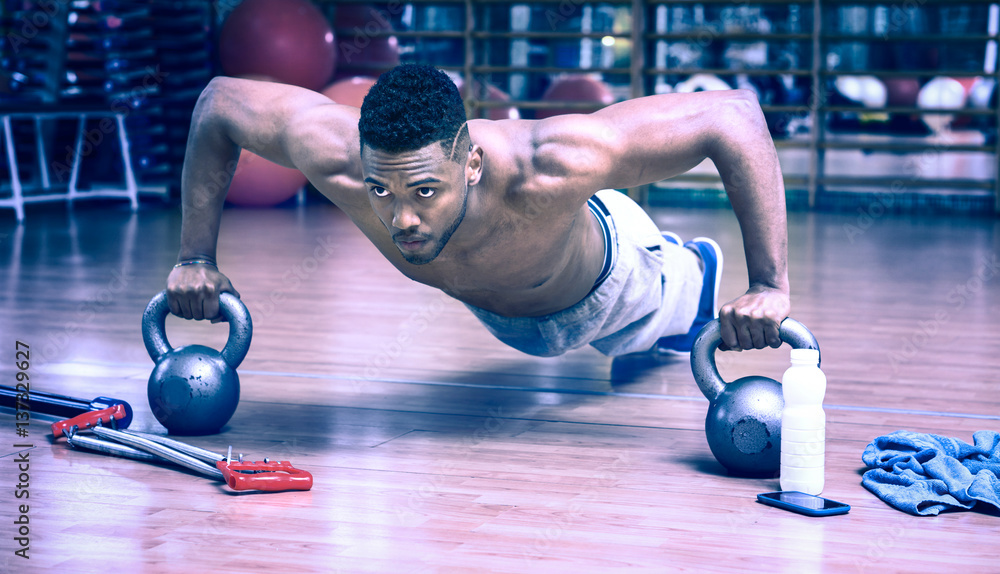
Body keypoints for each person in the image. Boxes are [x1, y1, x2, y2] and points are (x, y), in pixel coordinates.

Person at [167, 64, 790, 357]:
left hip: (611, 282)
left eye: (425, 191)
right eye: (383, 191)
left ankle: (689, 269)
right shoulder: (336, 155)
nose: (402, 219)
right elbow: (220, 103)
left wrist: (768, 284)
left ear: (470, 164)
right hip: (504, 304)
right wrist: (196, 258)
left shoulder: (552, 162)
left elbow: (732, 116)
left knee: (653, 327)